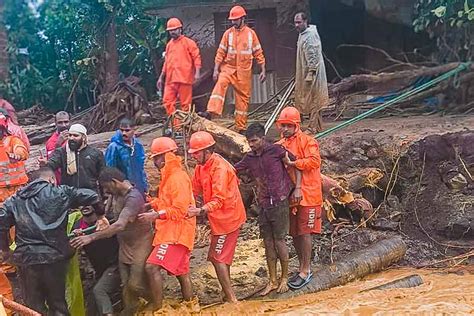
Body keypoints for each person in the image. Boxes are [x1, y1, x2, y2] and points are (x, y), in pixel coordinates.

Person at [0, 166, 103, 315]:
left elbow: (1, 220)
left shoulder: (16, 199)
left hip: (27, 259)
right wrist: (101, 216)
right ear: (51, 179)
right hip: (54, 257)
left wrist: (5, 249)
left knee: (33, 306)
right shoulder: (61, 192)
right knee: (58, 303)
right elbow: (92, 195)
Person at [70, 167, 153, 315]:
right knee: (126, 287)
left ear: (114, 182)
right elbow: (106, 218)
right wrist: (86, 231)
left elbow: (120, 224)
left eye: (107, 187)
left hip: (140, 244)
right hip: (124, 246)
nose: (106, 192)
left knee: (134, 285)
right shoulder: (114, 196)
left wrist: (90, 237)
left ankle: (155, 300)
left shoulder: (133, 197)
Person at [235, 123, 302, 295]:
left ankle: (284, 278)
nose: (251, 145)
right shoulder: (249, 158)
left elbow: (297, 164)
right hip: (264, 203)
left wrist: (298, 188)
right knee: (267, 242)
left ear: (263, 138)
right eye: (249, 142)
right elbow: (233, 169)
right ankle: (272, 280)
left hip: (280, 200)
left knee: (279, 240)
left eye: (254, 141)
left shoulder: (276, 150)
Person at [187, 131, 246, 303]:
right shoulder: (201, 167)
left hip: (229, 219)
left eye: (197, 152)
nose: (194, 156)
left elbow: (219, 199)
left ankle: (231, 299)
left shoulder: (220, 168)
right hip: (218, 219)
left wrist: (201, 210)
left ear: (208, 150)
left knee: (217, 257)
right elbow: (194, 189)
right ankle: (226, 293)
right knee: (220, 257)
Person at [138, 137, 196, 311]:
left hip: (177, 233)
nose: (154, 161)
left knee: (151, 267)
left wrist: (155, 215)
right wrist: (152, 202)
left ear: (164, 156)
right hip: (173, 230)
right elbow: (167, 202)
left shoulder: (177, 178)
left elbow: (179, 209)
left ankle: (158, 308)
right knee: (181, 272)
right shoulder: (169, 176)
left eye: (156, 157)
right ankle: (191, 304)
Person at [276, 107, 323, 290]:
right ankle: (302, 267)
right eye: (283, 125)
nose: (285, 129)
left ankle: (306, 270)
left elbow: (314, 161)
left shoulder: (308, 141)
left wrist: (294, 163)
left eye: (289, 125)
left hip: (308, 195)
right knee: (295, 232)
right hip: (290, 196)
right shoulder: (280, 144)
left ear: (296, 125)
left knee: (305, 232)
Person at [201, 5, 266, 133]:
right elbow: (220, 53)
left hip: (244, 72)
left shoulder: (251, 34)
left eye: (235, 19)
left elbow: (259, 53)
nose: (233, 22)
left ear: (242, 18)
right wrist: (216, 70)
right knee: (220, 84)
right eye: (232, 20)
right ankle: (211, 112)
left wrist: (263, 70)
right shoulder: (228, 34)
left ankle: (240, 128)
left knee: (242, 101)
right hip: (228, 69)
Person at [72, 207, 120, 316]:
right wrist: (76, 239)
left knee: (99, 290)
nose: (85, 206)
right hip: (99, 269)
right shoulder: (77, 227)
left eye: (89, 202)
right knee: (91, 302)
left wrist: (91, 237)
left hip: (115, 265)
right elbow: (70, 248)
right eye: (81, 203)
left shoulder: (109, 220)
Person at [157, 18, 201, 119]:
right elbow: (166, 62)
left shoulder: (189, 43)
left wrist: (197, 73)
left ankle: (184, 126)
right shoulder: (169, 45)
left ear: (180, 29)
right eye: (171, 30)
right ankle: (176, 125)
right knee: (167, 102)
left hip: (184, 79)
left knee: (186, 105)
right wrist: (161, 77)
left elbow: (196, 58)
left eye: (175, 29)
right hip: (170, 79)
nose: (173, 32)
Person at [294, 12, 329, 134]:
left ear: (305, 22)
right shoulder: (302, 34)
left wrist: (311, 71)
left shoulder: (310, 35)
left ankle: (312, 127)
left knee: (314, 99)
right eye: (295, 22)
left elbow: (313, 54)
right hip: (304, 70)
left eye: (299, 22)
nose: (296, 25)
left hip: (312, 73)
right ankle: (318, 127)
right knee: (312, 99)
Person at [46, 124, 104, 192]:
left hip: (89, 194)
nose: (71, 138)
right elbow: (51, 164)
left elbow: (102, 176)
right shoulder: (62, 152)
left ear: (83, 137)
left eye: (75, 135)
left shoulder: (95, 153)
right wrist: (45, 164)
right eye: (70, 135)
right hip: (68, 194)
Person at [105, 118, 148, 195]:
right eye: (121, 130)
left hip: (138, 186)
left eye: (127, 130)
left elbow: (141, 168)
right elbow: (109, 170)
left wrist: (144, 186)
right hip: (122, 189)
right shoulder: (114, 147)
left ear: (134, 130)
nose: (124, 133)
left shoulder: (138, 145)